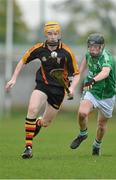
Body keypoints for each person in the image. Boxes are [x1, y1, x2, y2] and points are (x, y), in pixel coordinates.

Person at [5, 21, 80, 159]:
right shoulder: (38, 48)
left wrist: (72, 88)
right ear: (45, 34)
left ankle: (39, 123)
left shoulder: (66, 52)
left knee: (46, 123)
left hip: (59, 91)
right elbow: (23, 60)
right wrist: (14, 78)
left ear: (59, 34)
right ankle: (28, 147)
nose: (53, 36)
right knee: (32, 109)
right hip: (42, 86)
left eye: (55, 33)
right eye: (50, 33)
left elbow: (76, 73)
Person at [70, 33, 116, 155]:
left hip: (107, 95)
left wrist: (93, 79)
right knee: (82, 113)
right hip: (92, 91)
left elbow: (105, 72)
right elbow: (79, 72)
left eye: (96, 47)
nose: (93, 49)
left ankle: (96, 145)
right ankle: (83, 133)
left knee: (101, 125)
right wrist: (72, 86)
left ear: (102, 47)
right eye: (91, 46)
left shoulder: (107, 57)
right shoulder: (87, 55)